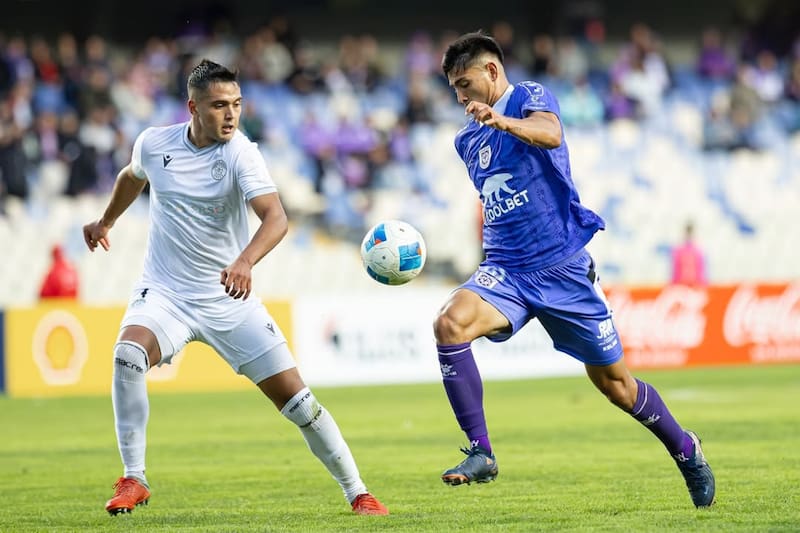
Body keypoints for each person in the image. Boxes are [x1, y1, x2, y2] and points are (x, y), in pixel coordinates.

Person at [83, 59, 388, 517]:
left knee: (301, 404)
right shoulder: (154, 144)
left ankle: (358, 492)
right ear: (193, 107)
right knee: (127, 355)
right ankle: (134, 478)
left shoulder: (240, 153)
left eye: (237, 104)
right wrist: (106, 220)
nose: (231, 114)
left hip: (229, 299)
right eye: (220, 105)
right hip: (166, 293)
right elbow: (132, 176)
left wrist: (245, 261)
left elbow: (277, 217)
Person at [434, 32, 715, 508]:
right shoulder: (467, 140)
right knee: (449, 323)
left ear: (492, 72)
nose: (460, 97)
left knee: (618, 387)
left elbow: (551, 135)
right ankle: (481, 451)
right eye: (454, 89)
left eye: (465, 83)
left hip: (563, 268)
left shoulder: (529, 97)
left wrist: (501, 121)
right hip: (507, 270)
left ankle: (686, 450)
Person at [670, 221, 708, 287]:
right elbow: (700, 273)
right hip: (690, 286)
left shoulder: (679, 251)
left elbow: (675, 273)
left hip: (685, 286)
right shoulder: (697, 251)